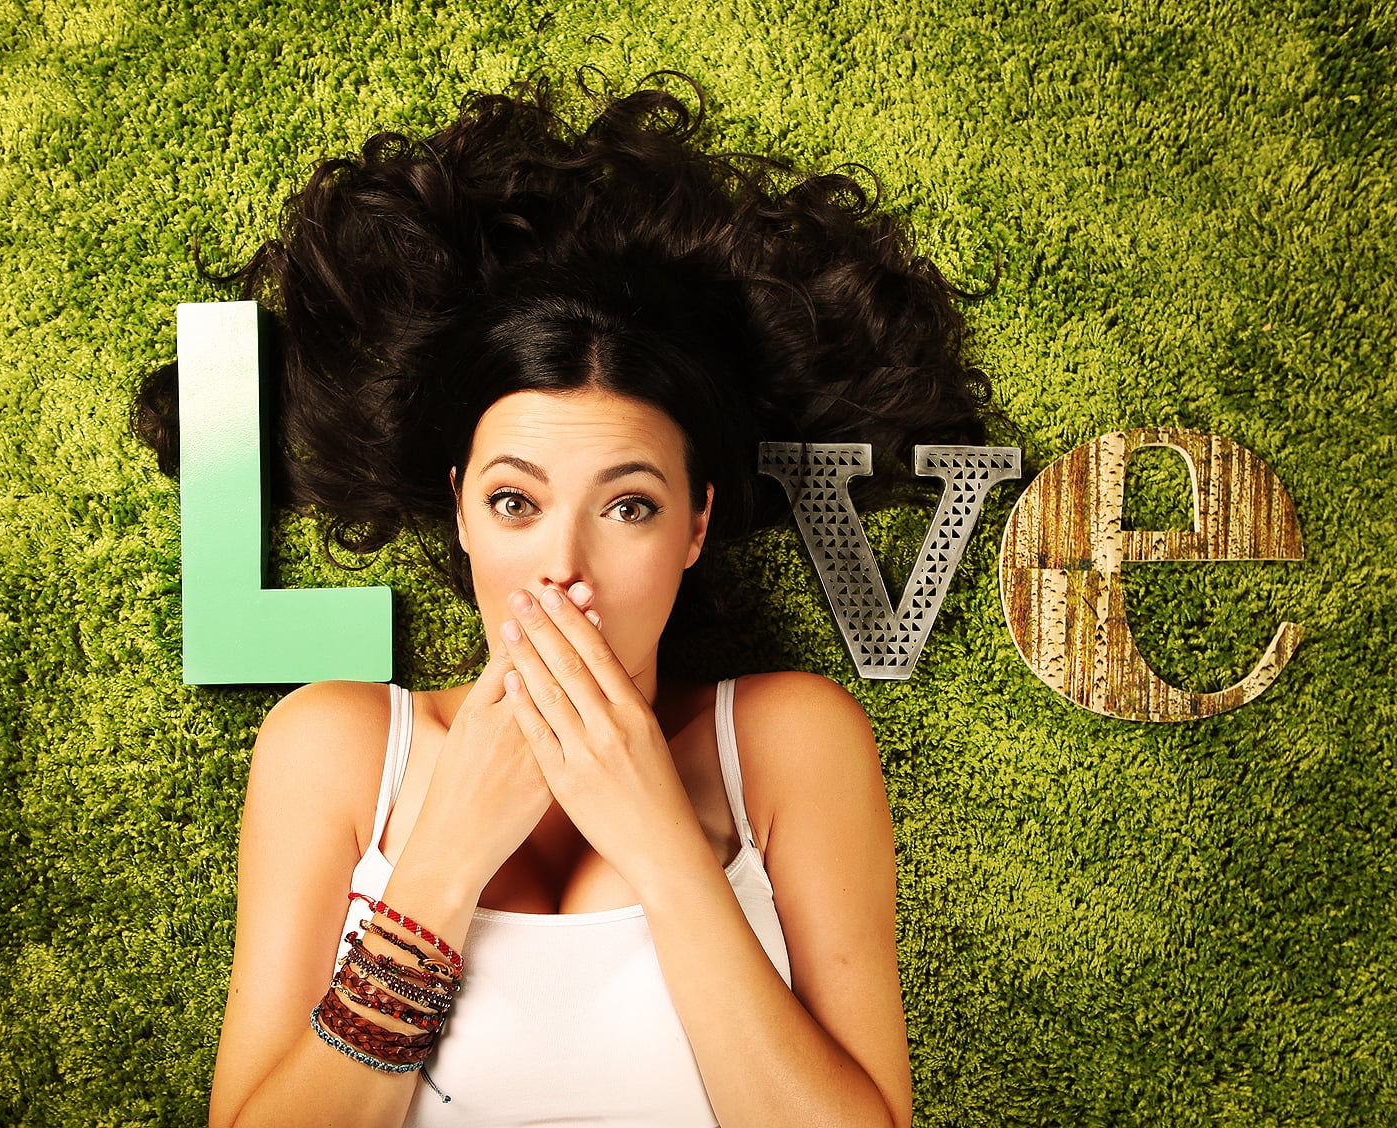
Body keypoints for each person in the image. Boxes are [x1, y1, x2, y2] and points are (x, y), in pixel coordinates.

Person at [134, 68, 996, 1128]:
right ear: (459, 512)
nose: (563, 565)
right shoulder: (334, 746)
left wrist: (656, 835)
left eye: (627, 507)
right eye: (514, 502)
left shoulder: (787, 741)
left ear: (693, 527)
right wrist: (442, 859)